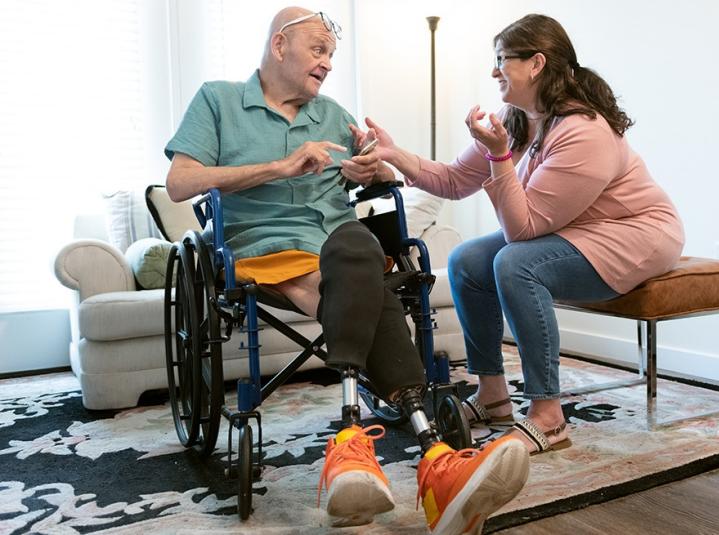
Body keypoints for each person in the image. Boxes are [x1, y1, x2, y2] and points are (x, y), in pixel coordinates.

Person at [163, 7, 529, 533]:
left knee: (357, 242)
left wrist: (373, 168)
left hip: (337, 245)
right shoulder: (217, 100)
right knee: (364, 282)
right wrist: (282, 166)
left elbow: (375, 174)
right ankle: (435, 459)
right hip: (264, 251)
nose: (328, 63)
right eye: (318, 49)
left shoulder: (334, 114)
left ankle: (353, 445)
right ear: (279, 44)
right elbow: (180, 182)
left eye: (332, 54)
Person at [361, 14, 685, 455]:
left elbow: (523, 230)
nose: (494, 71)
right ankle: (492, 395)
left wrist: (499, 157)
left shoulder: (583, 131)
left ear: (536, 64)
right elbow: (455, 180)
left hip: (635, 233)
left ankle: (548, 416)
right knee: (467, 261)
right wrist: (393, 152)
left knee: (514, 263)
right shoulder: (515, 119)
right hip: (578, 228)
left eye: (501, 60)